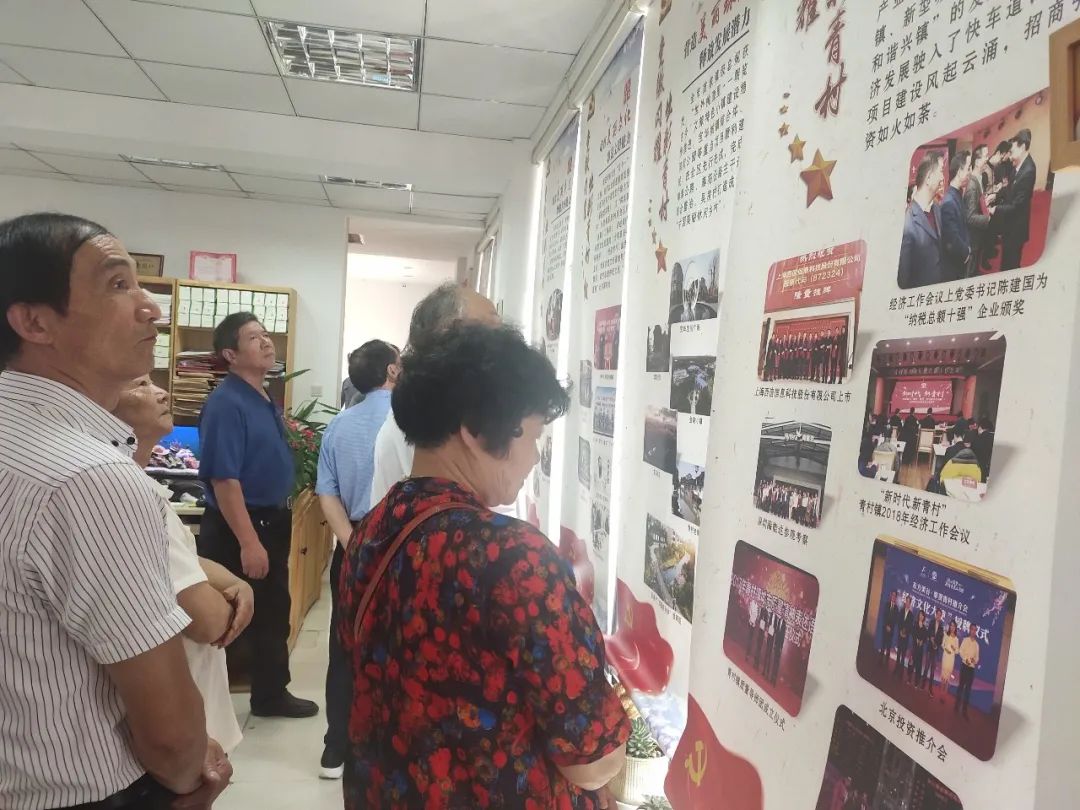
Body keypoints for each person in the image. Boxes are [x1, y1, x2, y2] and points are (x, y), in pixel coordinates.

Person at [339, 324, 629, 808]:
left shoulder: (375, 527)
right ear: (475, 430)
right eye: (533, 435)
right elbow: (591, 758)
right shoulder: (515, 558)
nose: (534, 456)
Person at [0, 213, 229, 809]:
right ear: (35, 322)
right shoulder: (91, 479)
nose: (151, 308)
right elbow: (170, 735)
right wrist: (190, 775)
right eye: (118, 284)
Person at [114, 375, 250, 754]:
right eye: (139, 384)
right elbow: (208, 622)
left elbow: (183, 558)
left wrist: (237, 583)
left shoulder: (142, 484)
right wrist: (229, 602)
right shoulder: (130, 496)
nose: (161, 392)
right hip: (176, 719)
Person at [198, 312, 318, 719]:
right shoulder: (226, 403)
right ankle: (210, 704)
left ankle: (269, 694)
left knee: (272, 611)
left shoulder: (263, 395)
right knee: (235, 614)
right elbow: (224, 479)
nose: (267, 342)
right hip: (244, 525)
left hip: (271, 520)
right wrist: (249, 542)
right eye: (254, 337)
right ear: (230, 354)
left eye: (266, 334)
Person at [314, 339, 400, 779]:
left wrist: (352, 543)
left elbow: (326, 493)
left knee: (344, 642)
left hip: (352, 542)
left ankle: (336, 747)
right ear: (392, 370)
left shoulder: (338, 426)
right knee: (399, 644)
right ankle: (387, 745)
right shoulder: (410, 421)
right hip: (402, 541)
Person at [371, 282, 501, 509]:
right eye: (492, 325)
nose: (503, 338)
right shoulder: (425, 420)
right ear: (451, 334)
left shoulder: (449, 408)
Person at [991, 129, 1037, 271]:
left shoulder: (1028, 170)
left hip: (1016, 228)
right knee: (1006, 262)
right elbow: (1008, 188)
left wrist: (995, 209)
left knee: (1010, 265)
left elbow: (1017, 206)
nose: (1010, 155)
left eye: (1012, 150)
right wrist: (995, 196)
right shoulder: (1018, 165)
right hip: (1009, 224)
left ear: (1022, 147)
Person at [898, 152, 945, 288]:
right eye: (941, 171)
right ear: (928, 178)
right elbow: (903, 280)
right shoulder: (907, 224)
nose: (943, 178)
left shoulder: (937, 209)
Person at [939, 151, 972, 282]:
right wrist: (966, 252)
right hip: (955, 267)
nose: (970, 172)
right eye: (968, 168)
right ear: (959, 172)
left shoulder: (957, 193)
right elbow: (952, 239)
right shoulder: (948, 202)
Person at [964, 144, 993, 277]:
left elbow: (977, 203)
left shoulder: (979, 177)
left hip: (979, 231)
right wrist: (987, 218)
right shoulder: (972, 185)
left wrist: (985, 202)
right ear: (976, 161)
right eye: (985, 156)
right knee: (970, 267)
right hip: (973, 235)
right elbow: (969, 217)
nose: (987, 158)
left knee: (976, 262)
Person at [956, 624, 981, 718]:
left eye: (975, 630)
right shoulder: (965, 640)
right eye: (972, 629)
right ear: (969, 630)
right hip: (964, 666)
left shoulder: (977, 645)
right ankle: (956, 706)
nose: (973, 631)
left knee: (968, 690)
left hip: (971, 669)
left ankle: (964, 710)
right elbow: (960, 651)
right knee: (961, 687)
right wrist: (966, 659)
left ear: (976, 631)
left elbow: (977, 657)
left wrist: (975, 660)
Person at [924, 608, 945, 694]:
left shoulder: (942, 626)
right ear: (935, 614)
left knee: (933, 670)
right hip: (929, 648)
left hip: (936, 651)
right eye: (937, 614)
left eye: (940, 615)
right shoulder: (931, 622)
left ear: (941, 616)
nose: (938, 616)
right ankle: (922, 684)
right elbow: (928, 633)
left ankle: (930, 688)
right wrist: (931, 639)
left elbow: (941, 639)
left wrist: (937, 645)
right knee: (926, 668)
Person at [894, 596, 915, 681]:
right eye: (907, 601)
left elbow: (910, 627)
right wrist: (900, 631)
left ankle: (901, 672)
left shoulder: (911, 615)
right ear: (905, 602)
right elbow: (899, 622)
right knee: (898, 654)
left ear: (910, 604)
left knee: (903, 655)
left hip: (905, 638)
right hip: (900, 636)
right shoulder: (901, 611)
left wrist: (905, 633)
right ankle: (896, 669)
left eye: (909, 602)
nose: (907, 603)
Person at [879, 591, 900, 667]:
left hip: (891, 630)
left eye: (895, 596)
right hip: (885, 628)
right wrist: (887, 626)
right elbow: (884, 616)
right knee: (883, 645)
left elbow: (896, 620)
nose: (893, 597)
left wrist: (890, 627)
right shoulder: (886, 605)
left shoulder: (896, 608)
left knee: (888, 646)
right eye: (892, 595)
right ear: (890, 596)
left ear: (896, 598)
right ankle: (880, 661)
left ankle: (886, 662)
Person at [941, 621, 960, 699]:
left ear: (955, 628)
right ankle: (941, 693)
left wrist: (953, 648)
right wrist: (946, 649)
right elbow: (942, 645)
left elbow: (957, 651)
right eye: (951, 626)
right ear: (949, 626)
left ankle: (944, 695)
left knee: (948, 677)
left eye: (953, 626)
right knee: (943, 675)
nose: (952, 627)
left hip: (951, 659)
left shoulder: (956, 639)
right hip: (945, 656)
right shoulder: (946, 635)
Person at [911, 611, 928, 690]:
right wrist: (916, 639)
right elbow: (913, 633)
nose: (921, 616)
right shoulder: (915, 623)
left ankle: (916, 682)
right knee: (912, 663)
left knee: (918, 666)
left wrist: (922, 641)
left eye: (922, 615)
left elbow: (925, 638)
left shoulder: (924, 627)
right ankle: (909, 678)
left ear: (924, 617)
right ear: (918, 616)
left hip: (920, 649)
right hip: (914, 646)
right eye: (920, 615)